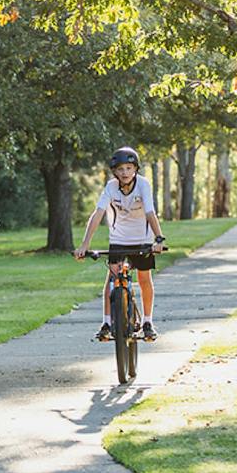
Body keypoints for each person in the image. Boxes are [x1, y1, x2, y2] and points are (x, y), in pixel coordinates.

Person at [75, 146, 165, 341]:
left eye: (129, 168)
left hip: (142, 239)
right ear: (114, 171)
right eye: (120, 169)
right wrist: (84, 244)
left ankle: (148, 321)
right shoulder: (110, 187)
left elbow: (150, 212)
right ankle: (107, 322)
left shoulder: (143, 185)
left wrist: (158, 238)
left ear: (136, 169)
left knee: (144, 279)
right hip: (119, 239)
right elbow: (98, 213)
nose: (125, 173)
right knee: (112, 278)